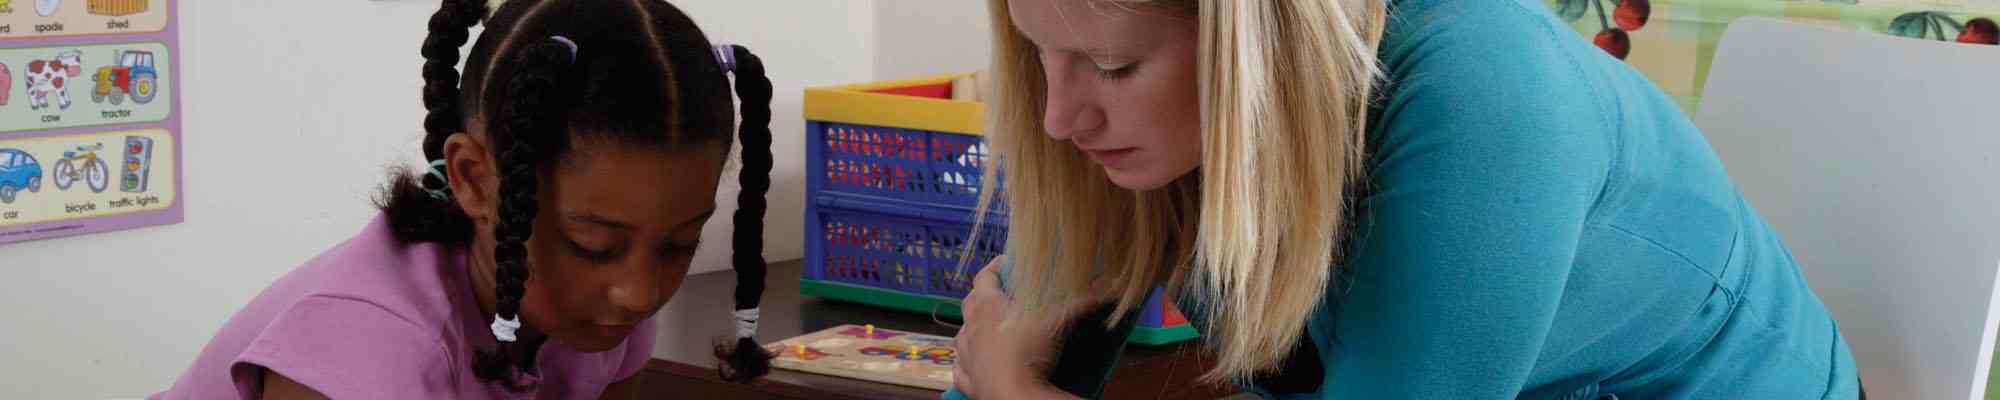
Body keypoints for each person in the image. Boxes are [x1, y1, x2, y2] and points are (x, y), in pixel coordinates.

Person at [948, 0, 1860, 398]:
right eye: (1037, 56)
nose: (1059, 116)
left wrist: (1016, 391)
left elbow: (1003, 377)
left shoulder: (1489, 92)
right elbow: (994, 351)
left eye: (1111, 66)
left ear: (1249, 37)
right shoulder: (1127, 128)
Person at [152, 0, 777, 397]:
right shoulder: (364, 349)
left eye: (678, 244)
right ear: (474, 179)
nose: (640, 292)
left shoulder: (595, 317)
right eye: (594, 245)